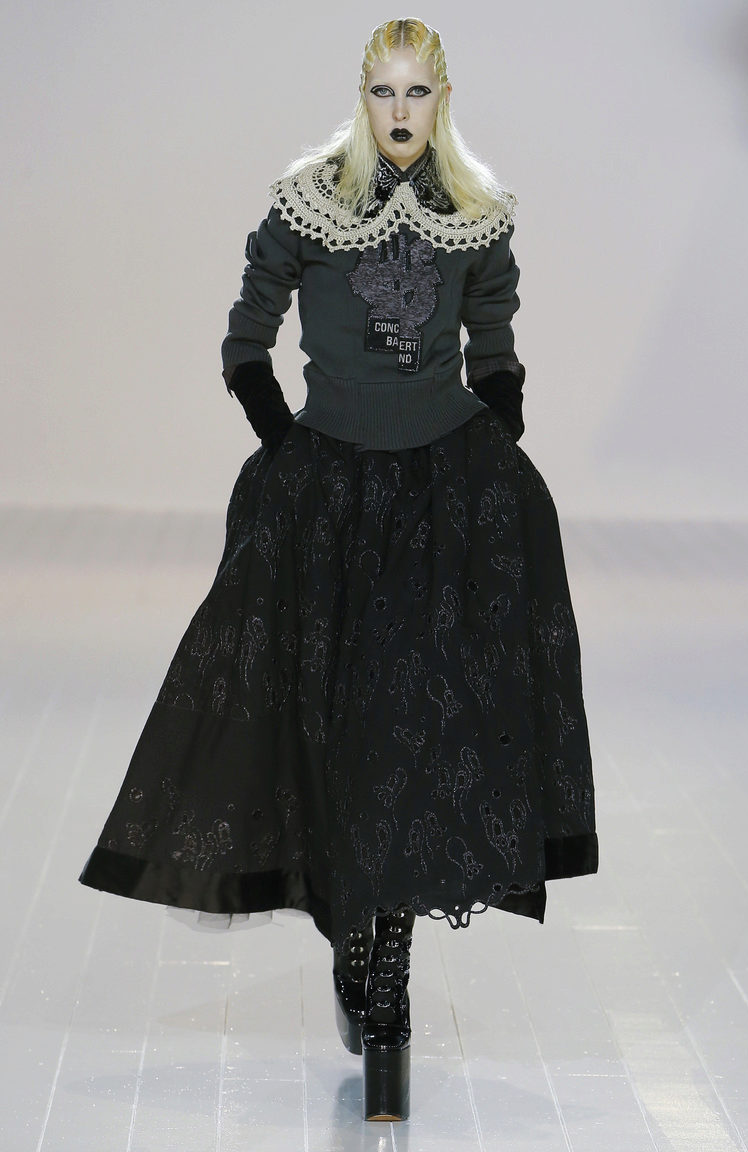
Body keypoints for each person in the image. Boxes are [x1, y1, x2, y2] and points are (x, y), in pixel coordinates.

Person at [78, 17, 598, 1123]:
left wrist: (496, 439)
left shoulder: (475, 212)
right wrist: (286, 447)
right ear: (361, 97)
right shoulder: (307, 201)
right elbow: (246, 333)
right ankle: (354, 939)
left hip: (442, 495)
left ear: (443, 99)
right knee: (334, 725)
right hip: (329, 498)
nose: (400, 112)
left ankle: (389, 986)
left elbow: (495, 339)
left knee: (414, 730)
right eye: (383, 92)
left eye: (418, 93)